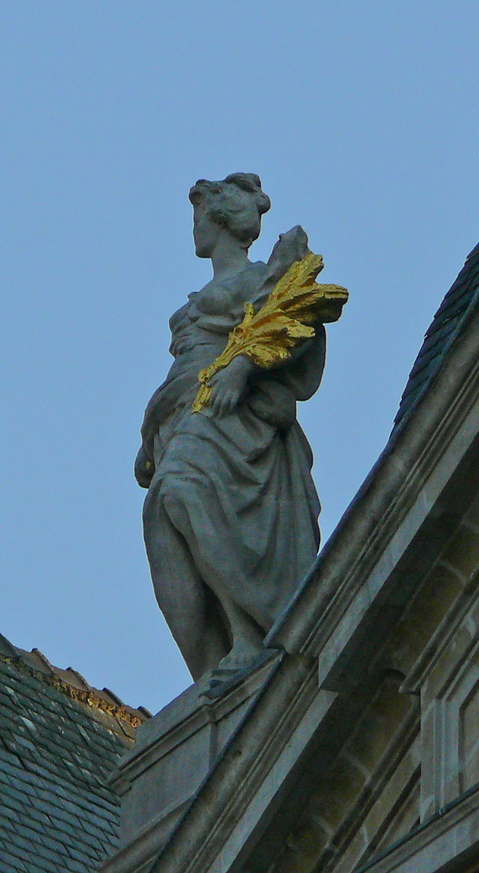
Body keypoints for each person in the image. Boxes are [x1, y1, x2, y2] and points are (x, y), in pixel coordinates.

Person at [136, 173, 341, 682]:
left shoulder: (255, 279)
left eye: (198, 218)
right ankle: (209, 666)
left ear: (221, 220)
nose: (194, 230)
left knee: (183, 495)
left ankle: (250, 637)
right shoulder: (198, 298)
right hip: (183, 412)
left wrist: (242, 367)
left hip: (231, 415)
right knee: (163, 521)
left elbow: (296, 318)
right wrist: (149, 436)